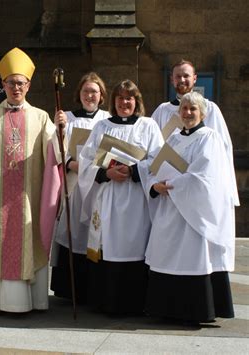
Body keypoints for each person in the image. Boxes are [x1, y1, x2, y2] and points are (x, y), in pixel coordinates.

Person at [0, 47, 66, 313]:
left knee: (29, 242)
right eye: (11, 83)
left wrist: (61, 131)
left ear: (28, 85)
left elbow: (56, 154)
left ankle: (34, 301)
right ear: (2, 84)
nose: (16, 87)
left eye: (21, 83)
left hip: (28, 198)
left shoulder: (41, 118)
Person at [145, 91, 237, 324]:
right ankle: (166, 309)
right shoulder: (174, 138)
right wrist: (154, 185)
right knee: (164, 256)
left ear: (202, 113)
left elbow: (204, 177)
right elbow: (152, 167)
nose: (187, 113)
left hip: (192, 213)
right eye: (184, 109)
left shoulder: (209, 138)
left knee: (192, 257)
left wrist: (171, 184)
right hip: (169, 208)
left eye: (193, 109)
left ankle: (193, 311)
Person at [78, 79, 163, 315]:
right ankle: (106, 302)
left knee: (135, 246)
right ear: (113, 101)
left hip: (136, 197)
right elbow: (86, 160)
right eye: (120, 98)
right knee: (109, 246)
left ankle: (135, 303)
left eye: (129, 98)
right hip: (109, 196)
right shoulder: (102, 126)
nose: (124, 102)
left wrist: (134, 170)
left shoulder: (148, 126)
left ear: (137, 101)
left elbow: (158, 159)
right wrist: (106, 173)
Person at [51, 72, 109, 303]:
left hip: (99, 181)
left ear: (102, 95)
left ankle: (96, 286)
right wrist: (69, 162)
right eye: (86, 91)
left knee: (97, 229)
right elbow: (56, 145)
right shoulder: (68, 118)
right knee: (74, 229)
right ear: (79, 94)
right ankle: (70, 288)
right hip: (74, 182)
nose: (89, 96)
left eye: (94, 91)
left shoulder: (108, 118)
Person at [151, 59, 238, 204]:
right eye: (178, 76)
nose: (182, 80)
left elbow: (223, 149)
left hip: (199, 184)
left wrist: (226, 189)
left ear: (195, 78)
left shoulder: (209, 109)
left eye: (186, 76)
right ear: (172, 79)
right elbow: (153, 147)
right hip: (167, 184)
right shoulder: (162, 110)